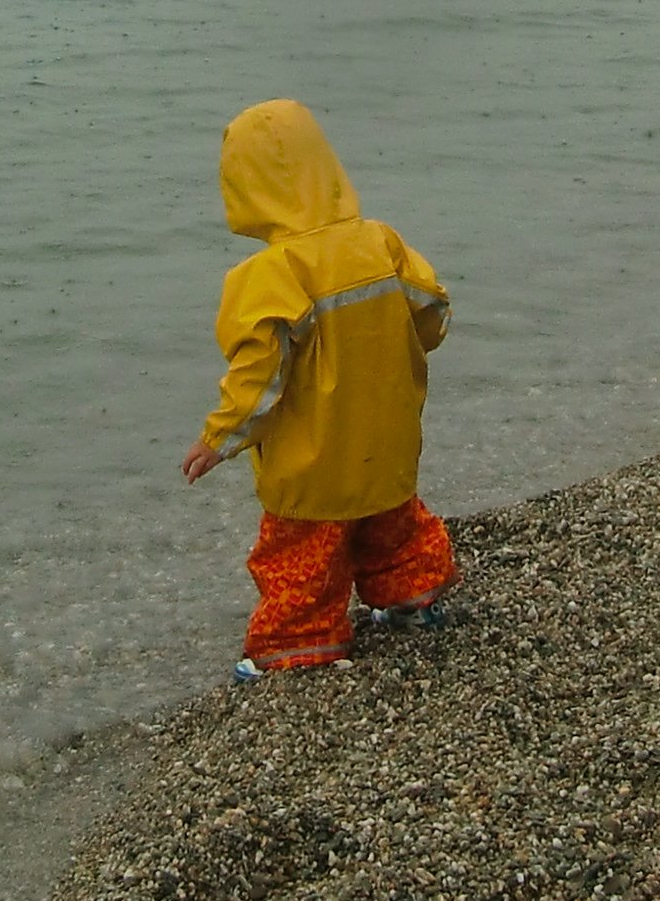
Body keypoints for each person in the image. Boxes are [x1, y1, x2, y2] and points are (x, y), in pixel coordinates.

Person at [180, 100, 457, 677]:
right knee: (394, 527)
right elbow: (431, 312)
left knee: (301, 557)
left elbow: (260, 377)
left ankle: (298, 644)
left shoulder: (270, 276)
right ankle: (412, 599)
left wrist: (218, 438)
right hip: (386, 440)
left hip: (315, 462)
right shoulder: (379, 242)